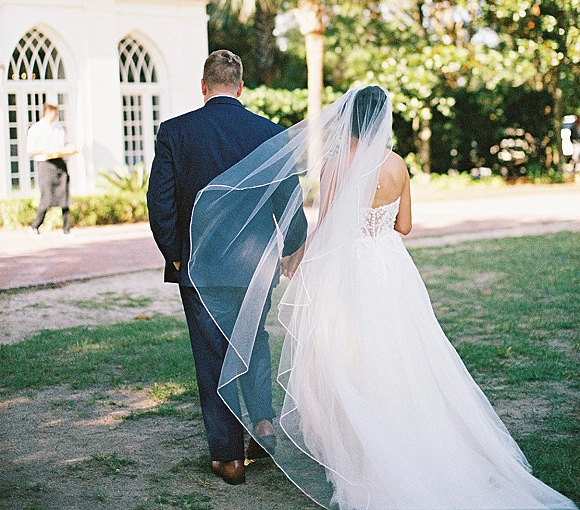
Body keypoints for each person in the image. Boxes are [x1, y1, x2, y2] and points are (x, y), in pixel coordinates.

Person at [191, 85, 577, 509]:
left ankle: (359, 455)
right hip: (389, 270)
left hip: (348, 271)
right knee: (400, 356)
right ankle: (408, 441)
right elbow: (405, 226)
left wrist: (299, 255)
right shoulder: (397, 166)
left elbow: (327, 226)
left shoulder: (335, 165)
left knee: (345, 361)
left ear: (349, 119)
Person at [147, 49, 307, 487]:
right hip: (255, 264)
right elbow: (286, 199)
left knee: (211, 354)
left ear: (204, 87)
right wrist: (293, 246)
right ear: (240, 87)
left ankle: (228, 456)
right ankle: (263, 424)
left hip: (200, 265)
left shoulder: (176, 132)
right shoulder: (269, 132)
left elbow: (159, 201)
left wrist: (175, 253)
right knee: (253, 341)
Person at [27, 102, 75, 234]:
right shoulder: (36, 128)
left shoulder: (59, 128)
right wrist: (44, 150)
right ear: (47, 112)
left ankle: (66, 229)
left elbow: (65, 143)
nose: (56, 115)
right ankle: (35, 226)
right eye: (54, 112)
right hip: (45, 163)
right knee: (47, 197)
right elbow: (30, 149)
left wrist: (69, 148)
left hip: (60, 162)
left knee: (65, 196)